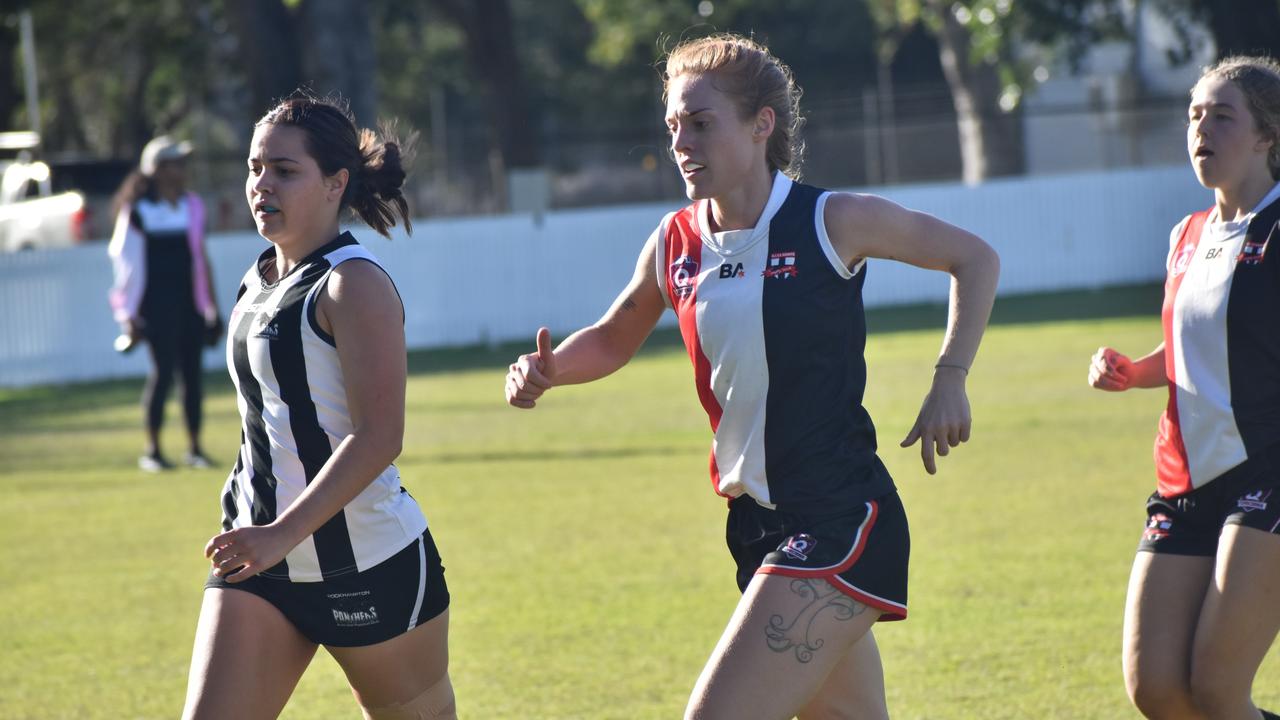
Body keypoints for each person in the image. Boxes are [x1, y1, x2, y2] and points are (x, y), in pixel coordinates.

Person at [505, 34, 1000, 719]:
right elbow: (617, 336)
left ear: (762, 124)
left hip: (838, 519)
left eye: (702, 123)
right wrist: (553, 369)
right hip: (755, 526)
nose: (682, 142)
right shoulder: (673, 240)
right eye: (674, 125)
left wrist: (951, 375)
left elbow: (974, 258)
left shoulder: (832, 220)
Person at [181, 95, 455, 720]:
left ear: (336, 184)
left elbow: (381, 435)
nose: (262, 185)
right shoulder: (258, 279)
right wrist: (263, 529)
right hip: (257, 561)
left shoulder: (352, 283)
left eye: (284, 169)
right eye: (254, 168)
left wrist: (282, 533)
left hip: (369, 561)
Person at [1089, 56, 1280, 720]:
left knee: (1218, 691)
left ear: (1267, 137)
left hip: (1269, 474)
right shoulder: (1186, 235)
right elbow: (1203, 342)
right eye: (1195, 115)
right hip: (1186, 482)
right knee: (1158, 690)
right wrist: (1134, 372)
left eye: (1223, 117)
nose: (1203, 128)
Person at [108, 135, 221, 472]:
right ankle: (153, 451)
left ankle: (195, 448)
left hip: (189, 306)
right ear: (156, 170)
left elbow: (201, 259)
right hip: (155, 308)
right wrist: (126, 314)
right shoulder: (138, 212)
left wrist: (212, 307)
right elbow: (125, 265)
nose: (182, 170)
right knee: (162, 376)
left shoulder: (192, 205)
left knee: (193, 377)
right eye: (175, 163)